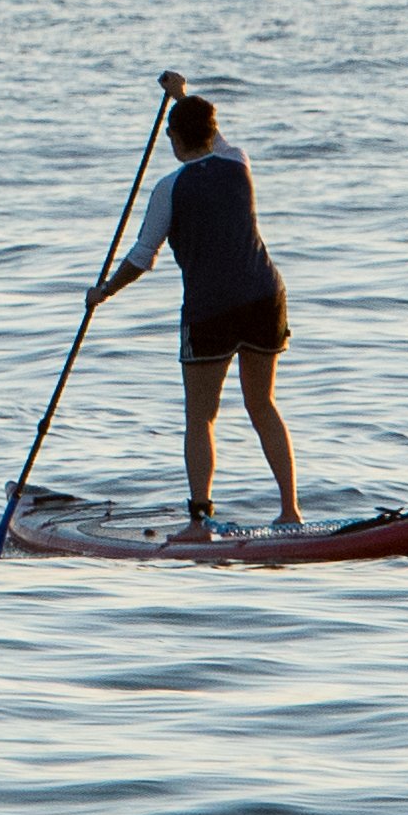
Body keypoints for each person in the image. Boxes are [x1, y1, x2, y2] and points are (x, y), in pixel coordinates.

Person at [105, 73, 300, 527]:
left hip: (210, 310)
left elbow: (140, 257)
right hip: (263, 297)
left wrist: (104, 293)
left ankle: (199, 519)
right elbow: (211, 129)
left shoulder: (168, 189)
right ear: (213, 133)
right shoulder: (239, 162)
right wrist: (182, 96)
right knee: (262, 404)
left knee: (201, 417)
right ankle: (290, 510)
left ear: (173, 139)